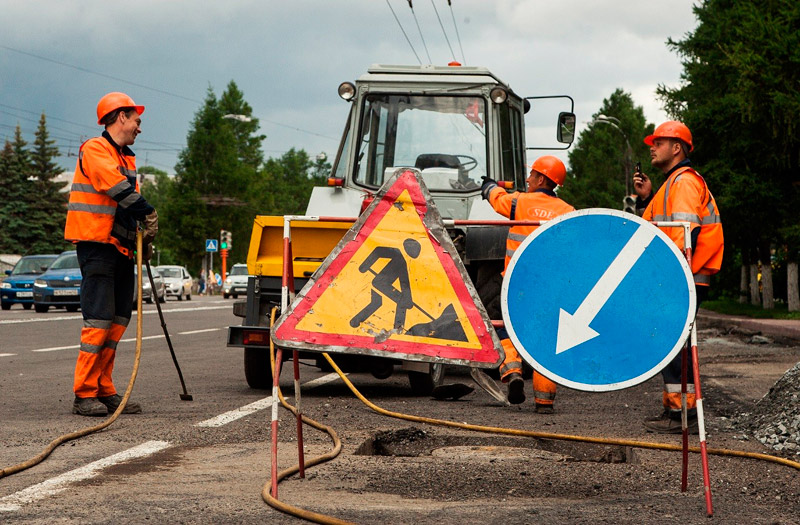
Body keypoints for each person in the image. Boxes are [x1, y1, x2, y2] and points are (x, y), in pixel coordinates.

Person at [64, 92, 158, 416]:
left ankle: (104, 388)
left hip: (120, 247)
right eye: (136, 120)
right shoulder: (95, 150)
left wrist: (142, 239)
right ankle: (84, 393)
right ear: (120, 117)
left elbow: (127, 206)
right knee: (98, 321)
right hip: (97, 246)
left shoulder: (126, 158)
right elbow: (115, 188)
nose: (138, 128)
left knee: (118, 320)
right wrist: (148, 211)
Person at [633, 120, 723, 433]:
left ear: (676, 148)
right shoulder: (673, 183)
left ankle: (682, 417)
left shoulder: (683, 182)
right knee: (672, 344)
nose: (652, 147)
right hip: (680, 275)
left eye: (658, 142)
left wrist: (674, 277)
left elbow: (687, 233)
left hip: (682, 276)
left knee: (674, 346)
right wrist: (646, 199)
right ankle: (677, 414)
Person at [481, 156, 575, 412]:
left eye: (532, 174)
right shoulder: (567, 211)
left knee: (498, 323)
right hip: (548, 289)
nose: (527, 179)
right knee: (546, 337)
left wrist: (488, 186)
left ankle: (512, 372)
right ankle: (544, 400)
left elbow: (497, 200)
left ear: (542, 179)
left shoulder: (520, 201)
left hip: (514, 284)